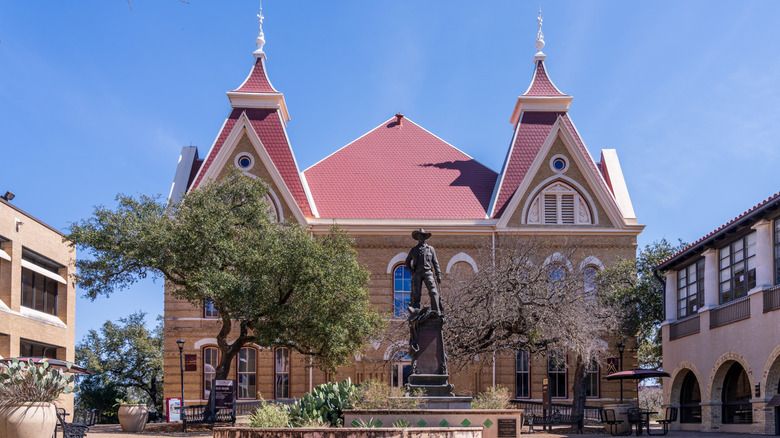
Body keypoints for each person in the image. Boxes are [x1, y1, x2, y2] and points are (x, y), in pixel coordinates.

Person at [405, 228, 443, 314]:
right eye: (419, 236)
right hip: (417, 272)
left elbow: (435, 263)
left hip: (428, 272)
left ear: (425, 237)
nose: (421, 237)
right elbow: (407, 261)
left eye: (423, 236)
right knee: (416, 293)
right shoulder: (414, 250)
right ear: (418, 238)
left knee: (433, 292)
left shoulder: (431, 249)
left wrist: (438, 274)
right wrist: (411, 270)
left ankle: (436, 312)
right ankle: (415, 311)